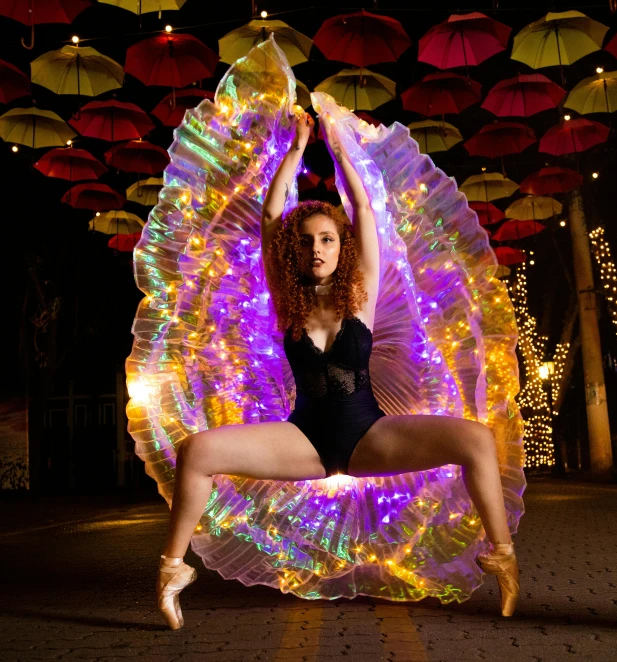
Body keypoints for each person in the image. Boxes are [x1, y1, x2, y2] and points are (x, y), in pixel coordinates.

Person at [155, 109, 520, 630]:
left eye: (327, 239)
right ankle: (171, 571)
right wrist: (298, 148)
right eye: (305, 241)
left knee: (478, 441)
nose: (316, 248)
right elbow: (269, 217)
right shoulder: (287, 298)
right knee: (196, 451)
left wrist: (340, 148)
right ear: (293, 251)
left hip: (369, 435)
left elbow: (365, 212)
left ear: (340, 247)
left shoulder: (362, 296)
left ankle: (503, 556)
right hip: (303, 441)